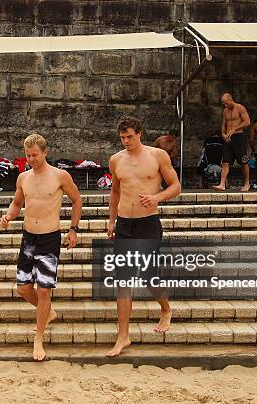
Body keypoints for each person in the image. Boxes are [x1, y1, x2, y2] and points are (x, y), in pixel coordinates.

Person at [0, 133, 82, 362]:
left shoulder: (60, 176)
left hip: (49, 237)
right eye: (28, 155)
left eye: (35, 155)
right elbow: (17, 203)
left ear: (45, 152)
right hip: (28, 238)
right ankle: (48, 312)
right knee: (23, 288)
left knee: (44, 290)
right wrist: (8, 216)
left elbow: (77, 200)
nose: (31, 159)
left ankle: (38, 337)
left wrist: (73, 229)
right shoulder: (23, 178)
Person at [106, 116, 181, 357]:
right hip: (125, 224)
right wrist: (111, 221)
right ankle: (123, 336)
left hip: (148, 223)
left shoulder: (157, 156)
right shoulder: (116, 160)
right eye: (122, 138)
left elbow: (176, 186)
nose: (126, 141)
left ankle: (166, 309)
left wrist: (157, 198)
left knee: (148, 275)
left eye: (129, 136)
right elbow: (115, 191)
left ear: (140, 133)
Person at [213, 93, 251, 192]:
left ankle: (247, 183)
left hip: (239, 136)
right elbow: (223, 125)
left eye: (226, 103)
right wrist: (223, 135)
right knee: (225, 162)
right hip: (228, 139)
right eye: (223, 104)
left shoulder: (240, 108)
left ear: (230, 100)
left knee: (243, 161)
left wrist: (235, 128)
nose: (225, 106)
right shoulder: (225, 111)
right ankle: (222, 184)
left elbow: (247, 122)